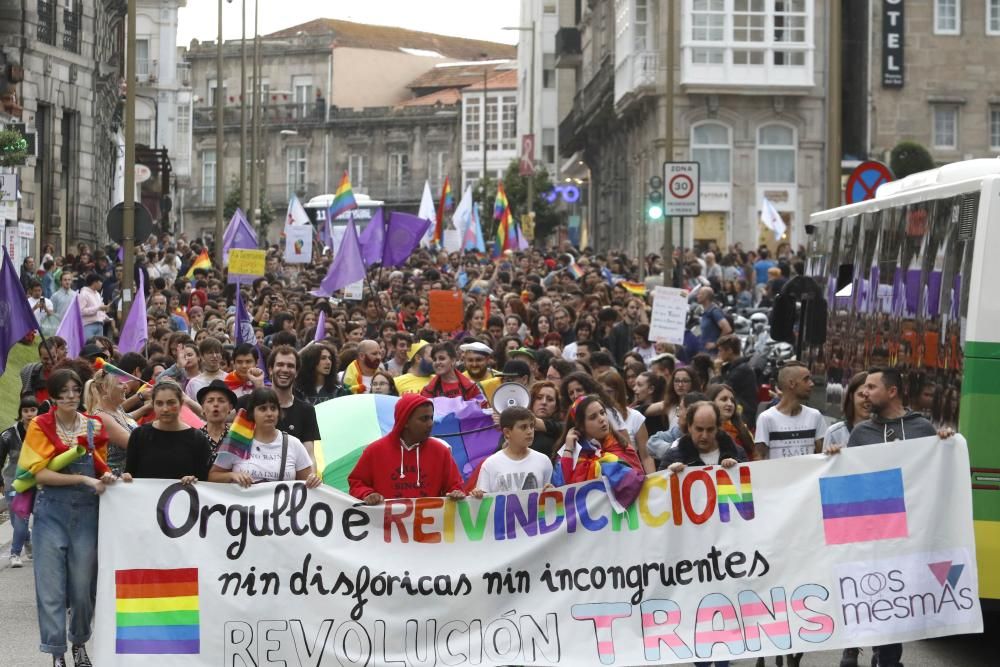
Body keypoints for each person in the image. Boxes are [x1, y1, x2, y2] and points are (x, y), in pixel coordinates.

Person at [842, 367, 951, 667]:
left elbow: (935, 475)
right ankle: (854, 649)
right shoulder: (861, 433)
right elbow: (850, 482)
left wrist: (946, 445)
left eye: (872, 387)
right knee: (869, 598)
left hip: (908, 536)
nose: (865, 393)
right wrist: (835, 460)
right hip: (871, 534)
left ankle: (887, 661)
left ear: (892, 391)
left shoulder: (922, 429)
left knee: (896, 603)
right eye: (863, 388)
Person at [16, 369, 120, 667]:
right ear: (52, 396)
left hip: (87, 515)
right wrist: (84, 481)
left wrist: (112, 477)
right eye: (64, 391)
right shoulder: (40, 425)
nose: (71, 396)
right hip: (50, 514)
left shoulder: (94, 426)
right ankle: (56, 652)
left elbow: (99, 466)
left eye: (75, 390)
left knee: (83, 588)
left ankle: (79, 643)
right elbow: (38, 474)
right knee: (50, 588)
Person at [348, 393, 465, 503]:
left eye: (431, 417)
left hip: (430, 523)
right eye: (424, 419)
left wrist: (456, 493)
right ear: (405, 422)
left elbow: (455, 486)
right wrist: (367, 494)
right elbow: (357, 483)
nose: (430, 424)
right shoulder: (374, 451)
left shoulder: (441, 451)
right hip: (384, 523)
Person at [210, 388, 321, 487]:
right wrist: (231, 475)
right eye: (263, 409)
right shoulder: (237, 441)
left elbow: (307, 484)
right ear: (252, 413)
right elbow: (212, 477)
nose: (269, 413)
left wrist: (313, 480)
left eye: (273, 408)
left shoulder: (294, 444)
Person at [551, 395, 644, 506]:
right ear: (580, 426)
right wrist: (569, 450)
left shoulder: (621, 446)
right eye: (593, 417)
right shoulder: (568, 454)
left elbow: (638, 480)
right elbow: (562, 490)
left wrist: (601, 465)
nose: (601, 419)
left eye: (602, 412)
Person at [239, 345, 321, 466]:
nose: (285, 369)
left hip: (290, 482)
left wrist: (311, 478)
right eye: (280, 365)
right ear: (271, 369)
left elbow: (309, 455)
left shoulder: (306, 410)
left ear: (297, 372)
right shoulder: (247, 403)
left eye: (290, 366)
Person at [124, 382, 212, 483]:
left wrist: (194, 479)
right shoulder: (139, 435)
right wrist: (126, 477)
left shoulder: (198, 439)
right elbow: (130, 471)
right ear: (153, 405)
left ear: (181, 403)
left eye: (171, 403)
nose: (165, 409)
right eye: (159, 403)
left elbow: (204, 479)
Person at [471, 406, 552, 495]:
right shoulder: (490, 464)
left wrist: (552, 491)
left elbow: (551, 500)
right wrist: (477, 495)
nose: (529, 431)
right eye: (523, 427)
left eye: (532, 426)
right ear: (507, 432)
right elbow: (483, 502)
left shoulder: (543, 460)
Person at [754, 363, 827, 460]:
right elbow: (759, 458)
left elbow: (824, 454)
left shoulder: (815, 416)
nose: (812, 384)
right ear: (791, 384)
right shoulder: (766, 418)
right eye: (806, 379)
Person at [1, 397, 38, 568]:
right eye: (26, 411)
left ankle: (15, 553)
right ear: (20, 413)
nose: (29, 414)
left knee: (23, 519)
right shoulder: (8, 435)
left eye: (33, 410)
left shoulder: (44, 431)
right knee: (18, 521)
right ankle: (27, 539)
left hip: (37, 482)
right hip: (13, 484)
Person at [662, 401, 745, 475]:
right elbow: (659, 488)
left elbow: (751, 486)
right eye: (699, 429)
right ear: (689, 427)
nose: (704, 436)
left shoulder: (737, 453)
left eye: (710, 430)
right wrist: (668, 474)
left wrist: (738, 468)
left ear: (718, 428)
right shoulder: (672, 457)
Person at [84, 368, 139, 476]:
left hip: (129, 477)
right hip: (115, 482)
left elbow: (130, 422)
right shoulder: (101, 417)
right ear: (105, 387)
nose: (126, 386)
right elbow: (134, 444)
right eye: (120, 383)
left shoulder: (118, 409)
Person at [597, 370, 654, 472]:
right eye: (601, 392)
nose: (604, 396)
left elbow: (646, 457)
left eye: (609, 392)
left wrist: (652, 482)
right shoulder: (596, 420)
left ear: (619, 392)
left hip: (630, 473)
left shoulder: (636, 417)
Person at [716, 334, 759, 427]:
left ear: (730, 351)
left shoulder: (741, 370)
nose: (718, 354)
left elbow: (719, 391)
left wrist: (717, 371)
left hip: (743, 416)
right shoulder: (734, 367)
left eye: (720, 351)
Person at [706, 383, 756, 461]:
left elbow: (753, 457)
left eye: (732, 401)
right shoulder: (704, 431)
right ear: (711, 402)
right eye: (724, 399)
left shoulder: (744, 430)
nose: (730, 404)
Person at [825, 372, 870, 450]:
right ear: (851, 396)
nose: (866, 400)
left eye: (870, 395)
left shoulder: (884, 431)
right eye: (861, 395)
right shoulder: (834, 433)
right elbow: (826, 462)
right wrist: (832, 456)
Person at [197, 380, 238, 465]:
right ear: (203, 408)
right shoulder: (195, 437)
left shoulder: (236, 437)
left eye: (221, 400)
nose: (215, 404)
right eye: (210, 401)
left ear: (230, 407)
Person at [183, 337, 228, 402]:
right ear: (201, 356)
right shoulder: (194, 383)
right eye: (210, 353)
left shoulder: (229, 378)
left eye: (217, 352)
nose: (214, 356)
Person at [528, 381, 562, 456]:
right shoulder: (517, 427)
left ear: (556, 406)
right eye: (539, 398)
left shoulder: (562, 426)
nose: (544, 402)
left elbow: (550, 426)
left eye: (550, 399)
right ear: (531, 401)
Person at [696, 287, 733, 352]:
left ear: (705, 296)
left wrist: (715, 344)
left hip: (712, 354)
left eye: (699, 294)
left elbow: (727, 329)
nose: (697, 296)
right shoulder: (706, 311)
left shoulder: (714, 311)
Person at [78, 273, 109, 338]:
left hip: (100, 325)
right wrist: (98, 308)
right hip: (88, 325)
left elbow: (100, 309)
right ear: (95, 282)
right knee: (90, 346)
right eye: (100, 282)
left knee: (100, 347)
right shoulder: (83, 294)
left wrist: (105, 316)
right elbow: (81, 311)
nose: (101, 284)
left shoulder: (97, 294)